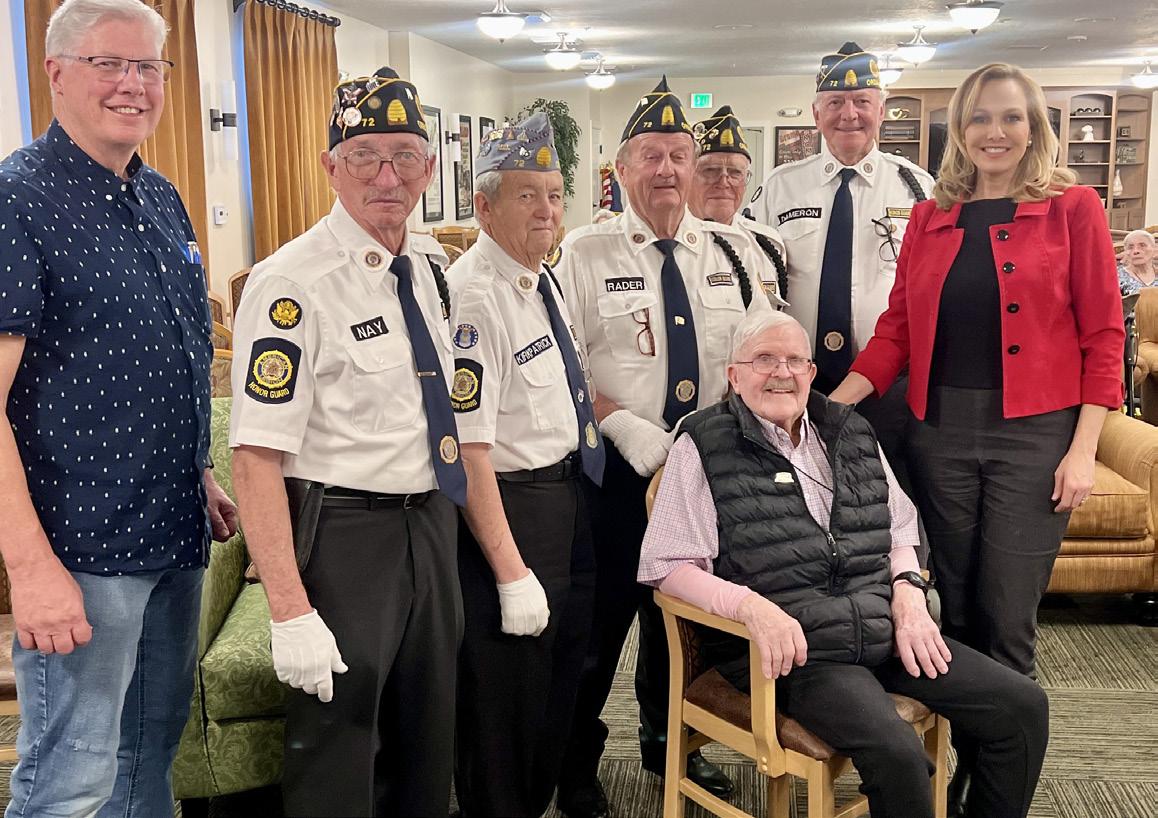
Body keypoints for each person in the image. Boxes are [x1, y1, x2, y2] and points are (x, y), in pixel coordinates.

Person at [830, 62, 1124, 816]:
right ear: (958, 130)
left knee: (1007, 616)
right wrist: (834, 403)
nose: (995, 132)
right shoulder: (931, 217)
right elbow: (896, 330)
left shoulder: (1074, 208)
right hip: (940, 434)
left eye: (1011, 117)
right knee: (954, 612)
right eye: (980, 118)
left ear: (1034, 127)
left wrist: (1083, 449)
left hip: (1037, 435)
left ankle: (999, 787)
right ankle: (965, 765)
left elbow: (1103, 335)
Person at [640, 310, 1050, 818]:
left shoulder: (849, 429)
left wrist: (908, 593)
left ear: (812, 372)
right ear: (734, 375)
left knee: (1022, 706)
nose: (782, 372)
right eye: (764, 359)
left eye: (795, 360)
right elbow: (669, 565)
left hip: (883, 627)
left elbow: (901, 527)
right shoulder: (702, 442)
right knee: (898, 754)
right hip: (798, 652)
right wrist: (752, 608)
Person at [0, 0, 238, 814]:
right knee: (69, 781)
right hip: (82, 553)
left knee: (147, 761)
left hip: (173, 531)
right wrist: (31, 570)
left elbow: (168, 352)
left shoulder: (161, 195)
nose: (132, 84)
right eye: (109, 63)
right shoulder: (17, 200)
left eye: (148, 67)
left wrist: (200, 471)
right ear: (56, 72)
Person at [229, 67, 466, 817]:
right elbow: (255, 457)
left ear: (429, 167)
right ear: (331, 166)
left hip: (432, 523)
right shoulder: (290, 282)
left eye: (404, 156)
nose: (386, 176)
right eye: (364, 155)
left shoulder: (427, 266)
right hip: (344, 538)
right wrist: (289, 610)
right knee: (340, 750)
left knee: (427, 736)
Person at [554, 76, 780, 818]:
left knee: (683, 625)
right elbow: (560, 367)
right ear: (621, 168)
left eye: (679, 155)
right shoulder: (583, 253)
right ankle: (574, 766)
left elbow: (758, 357)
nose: (667, 170)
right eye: (650, 155)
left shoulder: (733, 253)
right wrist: (622, 423)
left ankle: (671, 745)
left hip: (703, 473)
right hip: (615, 476)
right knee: (599, 628)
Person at [448, 112, 603, 818]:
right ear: (484, 207)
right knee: (506, 700)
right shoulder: (475, 296)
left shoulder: (541, 278)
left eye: (555, 194)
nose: (547, 209)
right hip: (512, 511)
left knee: (558, 678)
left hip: (568, 498)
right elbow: (469, 448)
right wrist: (510, 571)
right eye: (526, 195)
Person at [747, 42, 933, 482]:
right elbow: (754, 277)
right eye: (835, 103)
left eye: (861, 102)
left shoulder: (918, 189)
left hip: (888, 385)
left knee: (887, 493)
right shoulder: (781, 187)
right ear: (816, 114)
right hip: (798, 380)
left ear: (881, 111)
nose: (849, 114)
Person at [689, 104, 789, 302]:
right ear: (688, 176)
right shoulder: (668, 242)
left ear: (746, 179)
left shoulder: (768, 245)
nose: (724, 182)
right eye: (711, 170)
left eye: (735, 173)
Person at [1117, 229, 1158, 294]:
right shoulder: (1116, 276)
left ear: (1154, 249)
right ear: (1125, 252)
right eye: (1130, 247)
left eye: (1142, 245)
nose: (1136, 251)